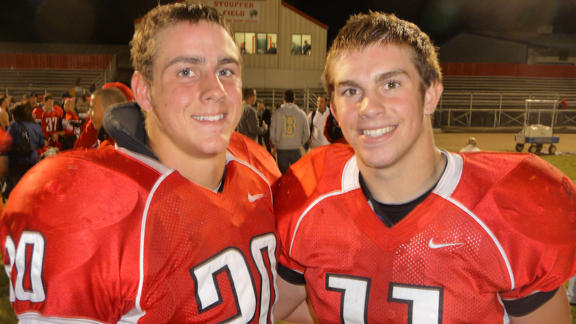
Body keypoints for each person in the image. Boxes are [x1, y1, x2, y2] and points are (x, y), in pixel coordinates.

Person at [274, 12, 576, 323]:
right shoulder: (311, 197)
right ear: (335, 110)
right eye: (351, 91)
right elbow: (257, 308)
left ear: (430, 94)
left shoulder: (503, 208)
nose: (369, 108)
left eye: (391, 84)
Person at [1, 3, 281, 323]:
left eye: (225, 71)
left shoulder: (256, 165)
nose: (215, 90)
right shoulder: (94, 203)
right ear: (143, 91)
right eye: (186, 71)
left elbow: (265, 297)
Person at [2, 103, 44, 198]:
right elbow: (42, 144)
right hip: (33, 167)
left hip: (17, 168)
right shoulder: (37, 126)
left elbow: (5, 146)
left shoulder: (14, 126)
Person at [270, 89, 309, 174]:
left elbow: (272, 132)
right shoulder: (301, 113)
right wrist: (300, 142)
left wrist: (276, 144)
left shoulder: (277, 113)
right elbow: (307, 133)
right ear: (294, 100)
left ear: (283, 99)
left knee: (283, 176)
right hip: (296, 149)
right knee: (297, 175)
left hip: (282, 149)